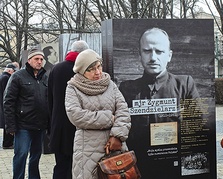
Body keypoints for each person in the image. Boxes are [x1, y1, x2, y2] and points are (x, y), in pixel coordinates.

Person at [118, 27, 202, 178]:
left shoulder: (184, 85)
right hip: (139, 168)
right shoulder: (127, 88)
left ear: (169, 55)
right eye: (147, 51)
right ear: (140, 55)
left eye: (159, 52)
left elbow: (196, 124)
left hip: (174, 166)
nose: (153, 58)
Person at [65, 49, 131, 179]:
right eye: (91, 69)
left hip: (115, 145)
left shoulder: (110, 84)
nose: (98, 72)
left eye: (99, 66)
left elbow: (123, 110)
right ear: (82, 71)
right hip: (87, 149)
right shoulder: (73, 87)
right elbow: (76, 115)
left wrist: (117, 136)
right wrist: (108, 118)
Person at [3, 48, 49, 179]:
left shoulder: (45, 77)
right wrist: (10, 126)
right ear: (29, 60)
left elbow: (48, 100)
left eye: (41, 59)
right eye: (36, 59)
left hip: (40, 125)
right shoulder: (17, 76)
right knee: (21, 154)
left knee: (35, 156)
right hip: (23, 125)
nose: (39, 62)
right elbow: (8, 101)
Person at [48, 40, 89, 179]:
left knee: (61, 164)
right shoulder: (84, 70)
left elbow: (50, 98)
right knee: (76, 165)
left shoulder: (56, 68)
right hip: (78, 124)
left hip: (59, 124)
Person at [0, 63, 18, 149]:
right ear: (10, 70)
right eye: (14, 71)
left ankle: (7, 143)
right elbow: (7, 92)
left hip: (2, 104)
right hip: (4, 104)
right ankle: (7, 143)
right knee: (7, 123)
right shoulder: (6, 78)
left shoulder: (3, 76)